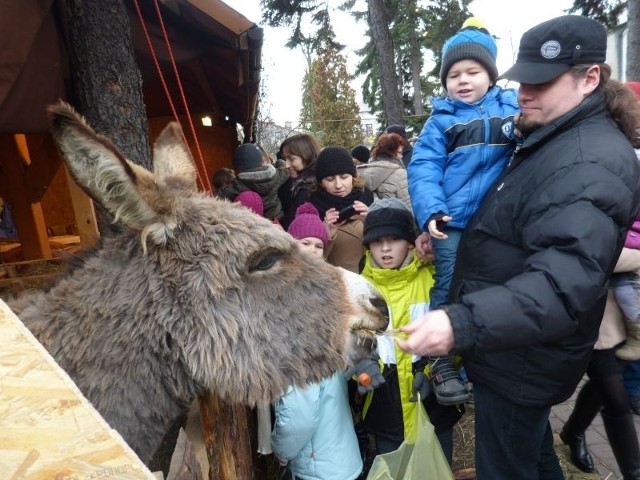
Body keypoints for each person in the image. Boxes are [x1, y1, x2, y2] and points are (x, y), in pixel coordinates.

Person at [398, 14, 640, 479]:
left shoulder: (589, 160)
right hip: (507, 346)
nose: (523, 94)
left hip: (519, 358)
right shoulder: (551, 134)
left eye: (540, 82)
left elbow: (560, 282)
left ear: (589, 78)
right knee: (532, 455)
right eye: (520, 80)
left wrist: (458, 321)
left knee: (506, 466)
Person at [408, 17, 519, 312]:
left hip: (497, 217)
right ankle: (441, 350)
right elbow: (424, 169)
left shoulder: (512, 109)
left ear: (491, 76)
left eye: (473, 71)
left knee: (495, 280)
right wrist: (432, 210)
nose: (463, 80)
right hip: (451, 220)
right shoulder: (440, 121)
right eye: (454, 75)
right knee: (449, 280)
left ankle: (485, 340)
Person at [358, 198, 463, 464]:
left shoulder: (433, 281)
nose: (384, 248)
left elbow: (456, 334)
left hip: (432, 400)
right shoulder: (360, 290)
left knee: (437, 463)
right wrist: (361, 368)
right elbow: (352, 343)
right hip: (385, 403)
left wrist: (434, 373)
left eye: (393, 238)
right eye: (375, 240)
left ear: (411, 240)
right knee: (394, 465)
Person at [272, 204, 363, 480]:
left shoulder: (296, 313)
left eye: (318, 245)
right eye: (304, 243)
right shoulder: (324, 302)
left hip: (318, 465)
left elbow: (299, 410)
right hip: (340, 458)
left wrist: (281, 449)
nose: (312, 250)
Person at [559, 247, 640, 478]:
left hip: (619, 315)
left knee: (604, 387)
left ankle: (573, 431)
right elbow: (591, 252)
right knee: (614, 395)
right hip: (578, 312)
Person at [310, 146, 374, 273]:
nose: (338, 185)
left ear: (353, 177)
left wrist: (372, 223)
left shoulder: (370, 200)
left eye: (344, 177)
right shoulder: (313, 211)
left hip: (375, 281)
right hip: (341, 284)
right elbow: (310, 265)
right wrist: (326, 236)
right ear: (321, 182)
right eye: (330, 179)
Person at [216, 143, 290, 221]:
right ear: (261, 161)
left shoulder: (237, 185)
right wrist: (279, 161)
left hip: (256, 224)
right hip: (277, 220)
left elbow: (218, 197)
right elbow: (284, 169)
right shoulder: (275, 175)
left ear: (238, 169)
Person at [358, 133, 412, 213]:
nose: (402, 156)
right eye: (399, 152)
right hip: (397, 221)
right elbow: (408, 206)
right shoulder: (400, 174)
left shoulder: (363, 171)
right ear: (391, 152)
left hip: (371, 220)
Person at [279, 133, 322, 229]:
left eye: (291, 159)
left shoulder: (307, 189)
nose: (287, 165)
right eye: (285, 159)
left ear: (306, 156)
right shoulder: (309, 183)